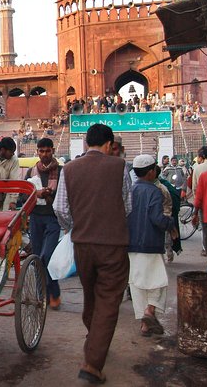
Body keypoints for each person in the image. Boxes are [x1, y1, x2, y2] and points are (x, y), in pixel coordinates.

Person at [53, 123, 132, 384]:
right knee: (108, 302)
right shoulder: (119, 167)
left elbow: (61, 209)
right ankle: (93, 364)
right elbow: (127, 206)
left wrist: (75, 228)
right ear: (109, 145)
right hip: (112, 244)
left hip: (82, 244)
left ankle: (94, 342)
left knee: (91, 296)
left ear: (86, 144)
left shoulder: (69, 169)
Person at [127, 155, 175, 337]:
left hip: (131, 244)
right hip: (150, 243)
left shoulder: (130, 190)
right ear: (150, 172)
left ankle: (144, 325)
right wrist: (170, 224)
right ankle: (149, 312)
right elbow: (157, 219)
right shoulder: (154, 191)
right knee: (158, 281)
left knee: (137, 283)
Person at [25, 138, 62, 309]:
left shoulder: (61, 172)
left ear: (53, 151)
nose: (44, 154)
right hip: (36, 218)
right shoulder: (31, 172)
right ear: (37, 152)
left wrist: (49, 194)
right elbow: (23, 195)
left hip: (53, 219)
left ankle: (54, 293)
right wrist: (37, 194)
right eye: (41, 151)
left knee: (48, 257)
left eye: (47, 151)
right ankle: (43, 295)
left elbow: (65, 196)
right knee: (38, 258)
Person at [189, 146, 207, 260]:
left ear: (203, 156)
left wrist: (196, 209)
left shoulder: (198, 169)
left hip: (204, 205)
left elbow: (195, 189)